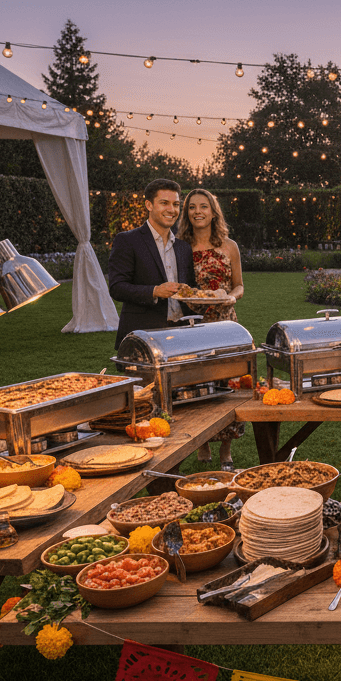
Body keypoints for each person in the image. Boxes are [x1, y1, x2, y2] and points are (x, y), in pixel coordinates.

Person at [177, 189, 245, 470]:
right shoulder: (180, 246)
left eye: (203, 206)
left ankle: (226, 448)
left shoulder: (229, 246)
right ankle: (202, 443)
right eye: (192, 207)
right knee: (196, 384)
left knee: (227, 384)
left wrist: (232, 297)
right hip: (192, 324)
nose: (197, 212)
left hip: (225, 322)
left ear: (214, 212)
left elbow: (239, 285)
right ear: (187, 213)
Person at [107, 179, 195, 349]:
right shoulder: (127, 240)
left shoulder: (183, 247)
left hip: (182, 335)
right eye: (164, 203)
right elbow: (117, 287)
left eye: (176, 204)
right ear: (149, 205)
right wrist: (154, 291)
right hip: (144, 336)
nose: (172, 210)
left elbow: (190, 288)